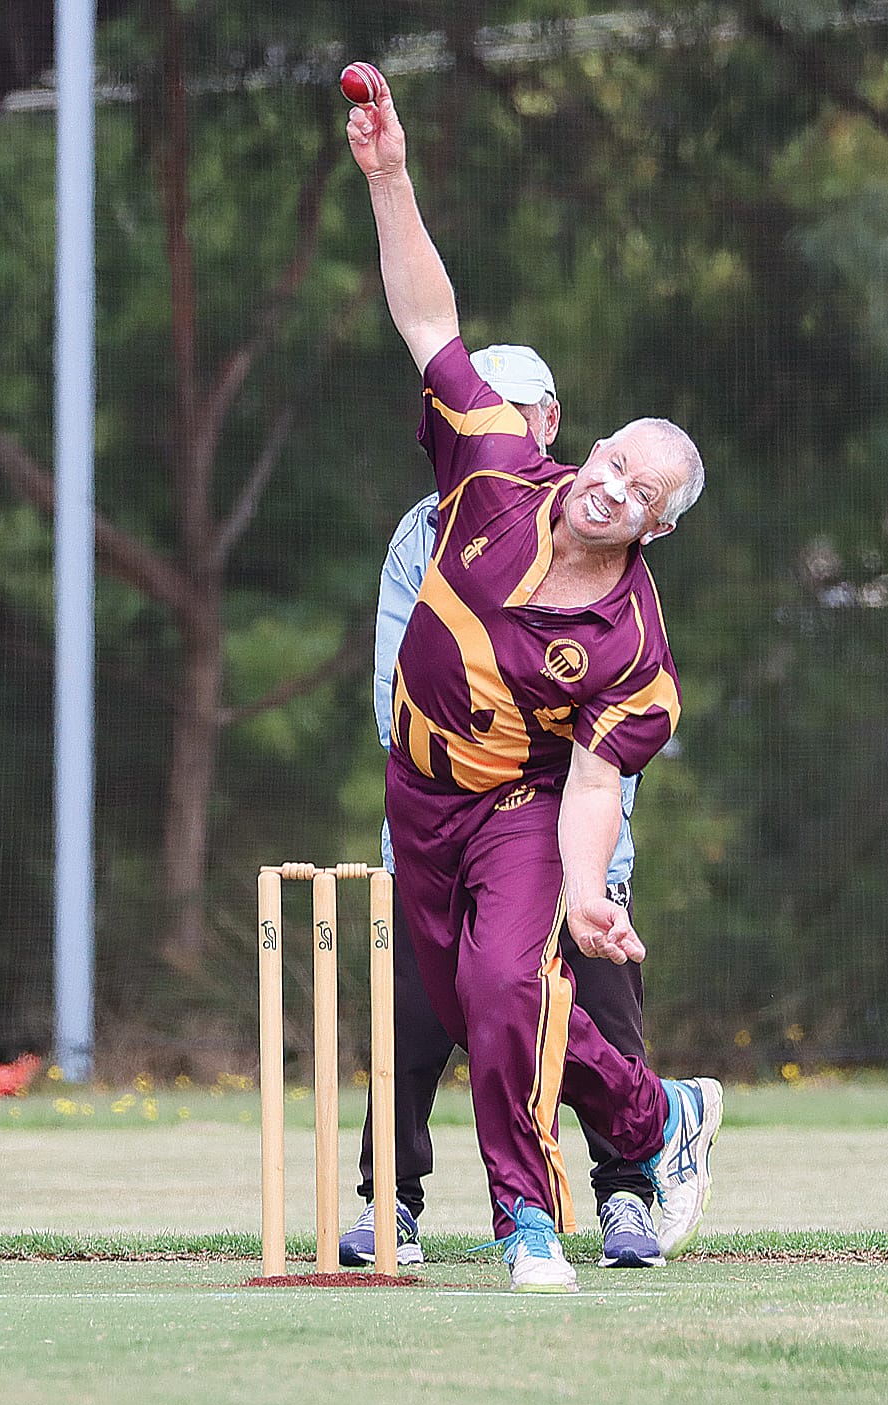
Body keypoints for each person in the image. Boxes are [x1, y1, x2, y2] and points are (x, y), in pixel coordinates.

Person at [343, 78, 720, 1292]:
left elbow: (597, 780)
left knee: (510, 987)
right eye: (615, 461)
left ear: (656, 528)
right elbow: (424, 318)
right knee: (464, 1007)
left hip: (519, 805)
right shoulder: (495, 469)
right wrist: (386, 175)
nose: (614, 488)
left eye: (641, 493)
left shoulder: (632, 653)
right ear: (589, 445)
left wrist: (583, 893)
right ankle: (658, 1118)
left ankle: (526, 1222)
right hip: (419, 795)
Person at [341, 344, 662, 1272]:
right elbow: (394, 694)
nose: (494, 426)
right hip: (440, 826)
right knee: (408, 1023)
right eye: (480, 408)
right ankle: (391, 1203)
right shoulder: (425, 531)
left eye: (517, 411)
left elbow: (609, 750)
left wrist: (582, 862)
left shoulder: (606, 530)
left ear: (550, 421)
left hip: (571, 837)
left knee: (597, 1010)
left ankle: (627, 1194)